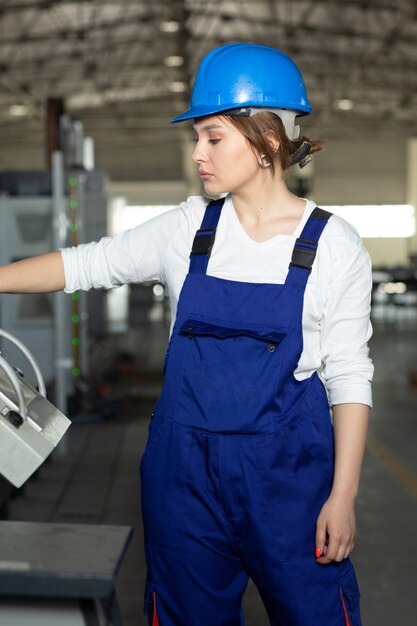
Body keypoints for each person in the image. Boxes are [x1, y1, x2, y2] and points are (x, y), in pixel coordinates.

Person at [0, 43, 373, 625]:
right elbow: (85, 265)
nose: (198, 153)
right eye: (196, 137)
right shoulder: (187, 229)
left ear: (268, 137)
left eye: (214, 137)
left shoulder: (332, 244)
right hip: (184, 483)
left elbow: (350, 376)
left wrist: (342, 496)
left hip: (288, 487)